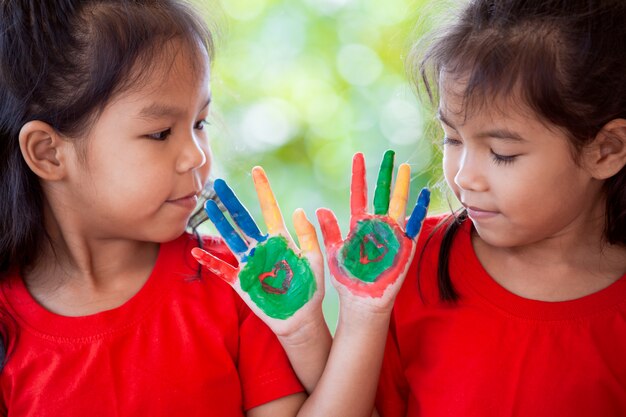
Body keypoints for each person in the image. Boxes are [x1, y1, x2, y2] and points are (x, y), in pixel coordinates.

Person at [0, 1, 431, 415]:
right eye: (160, 133)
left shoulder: (239, 283)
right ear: (49, 153)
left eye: (200, 124)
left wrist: (361, 315)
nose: (196, 156)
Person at [374, 0, 626, 416]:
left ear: (606, 150)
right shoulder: (407, 265)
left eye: (502, 153)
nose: (463, 177)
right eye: (452, 139)